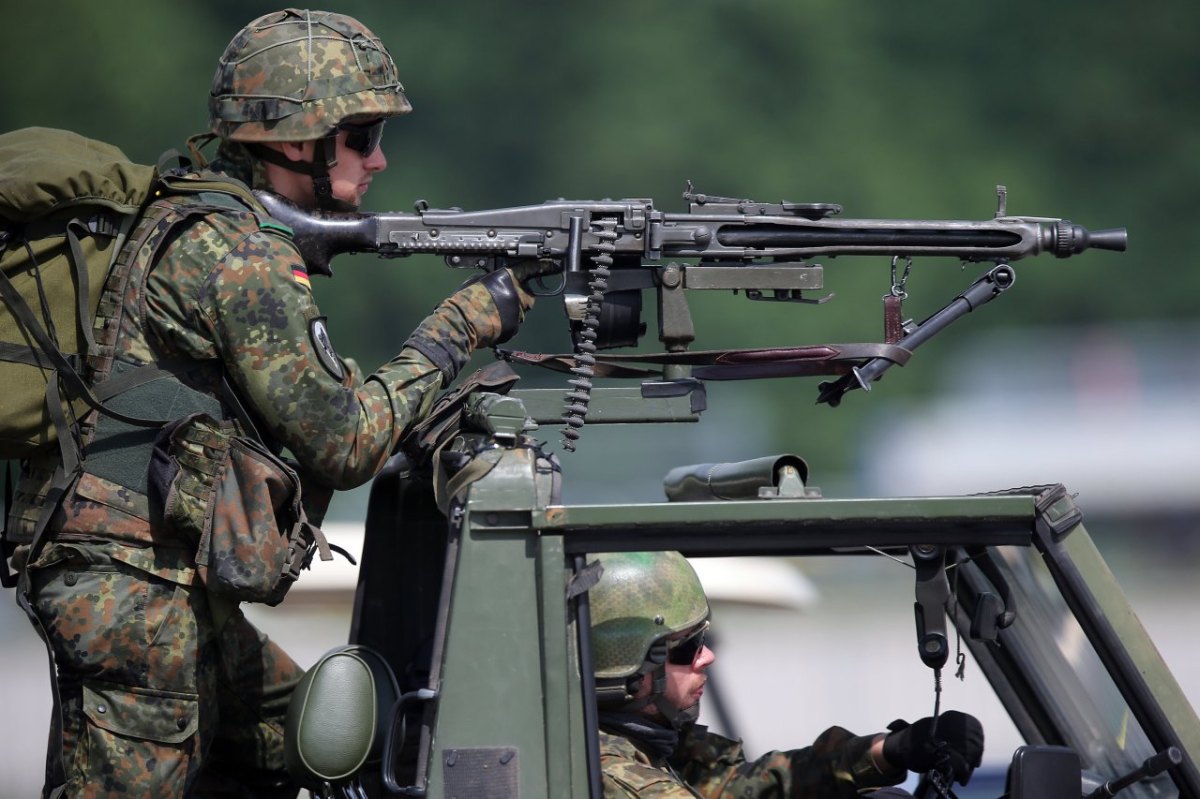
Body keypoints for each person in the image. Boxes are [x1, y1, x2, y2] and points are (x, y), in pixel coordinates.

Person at [5, 9, 546, 798]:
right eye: (362, 135)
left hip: (158, 584)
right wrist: (460, 325)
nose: (381, 159)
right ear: (298, 142)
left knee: (335, 748)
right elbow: (345, 442)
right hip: (131, 599)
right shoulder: (240, 257)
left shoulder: (208, 223)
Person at [588, 551, 985, 798]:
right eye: (687, 648)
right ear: (633, 670)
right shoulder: (611, 773)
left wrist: (890, 749)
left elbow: (746, 788)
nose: (707, 657)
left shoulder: (652, 751)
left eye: (704, 640)